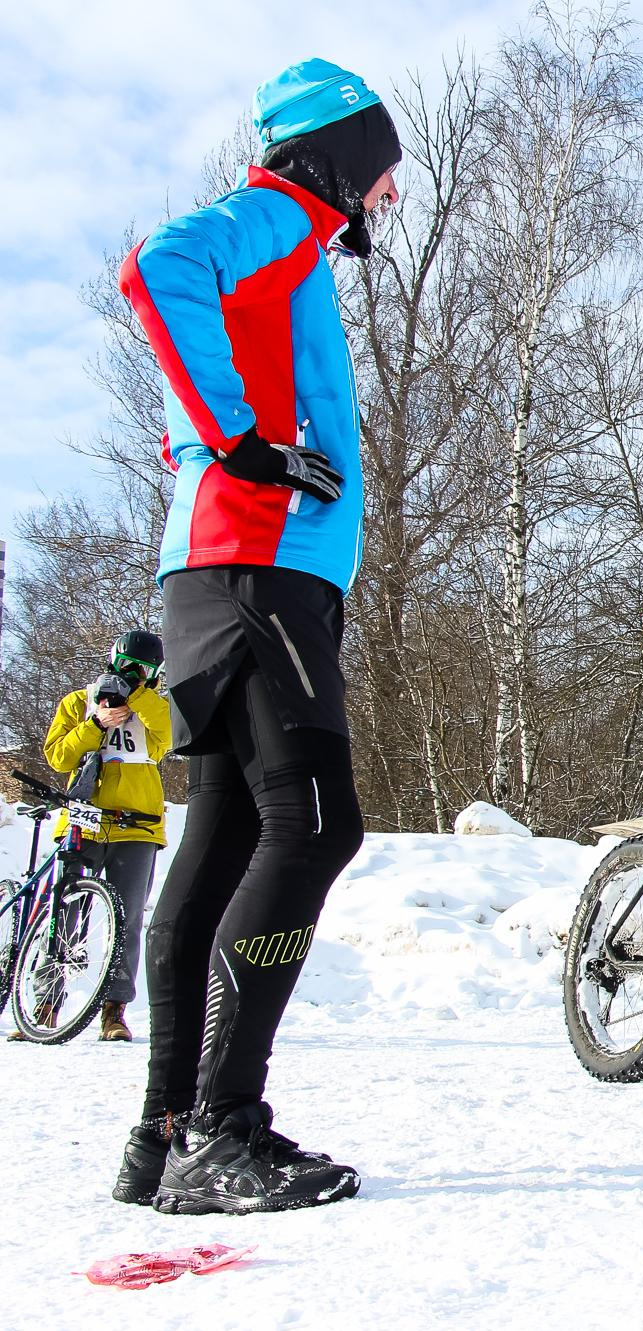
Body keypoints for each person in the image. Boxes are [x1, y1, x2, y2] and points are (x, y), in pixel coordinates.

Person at [109, 58, 401, 1213]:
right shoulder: (276, 213)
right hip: (251, 571)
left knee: (227, 840)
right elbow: (155, 268)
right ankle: (223, 1128)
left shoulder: (292, 248)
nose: (384, 197)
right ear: (338, 152)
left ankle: (163, 1134)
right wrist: (235, 435)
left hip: (242, 579)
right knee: (317, 823)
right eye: (380, 173)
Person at [17, 633, 172, 1043]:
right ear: (112, 661)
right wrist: (95, 725)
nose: (133, 677)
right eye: (127, 667)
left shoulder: (153, 707)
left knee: (127, 918)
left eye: (144, 671)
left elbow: (166, 742)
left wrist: (137, 698)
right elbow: (59, 757)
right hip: (82, 822)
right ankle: (46, 1003)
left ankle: (114, 1011)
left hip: (136, 825)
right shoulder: (78, 701)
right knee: (65, 914)